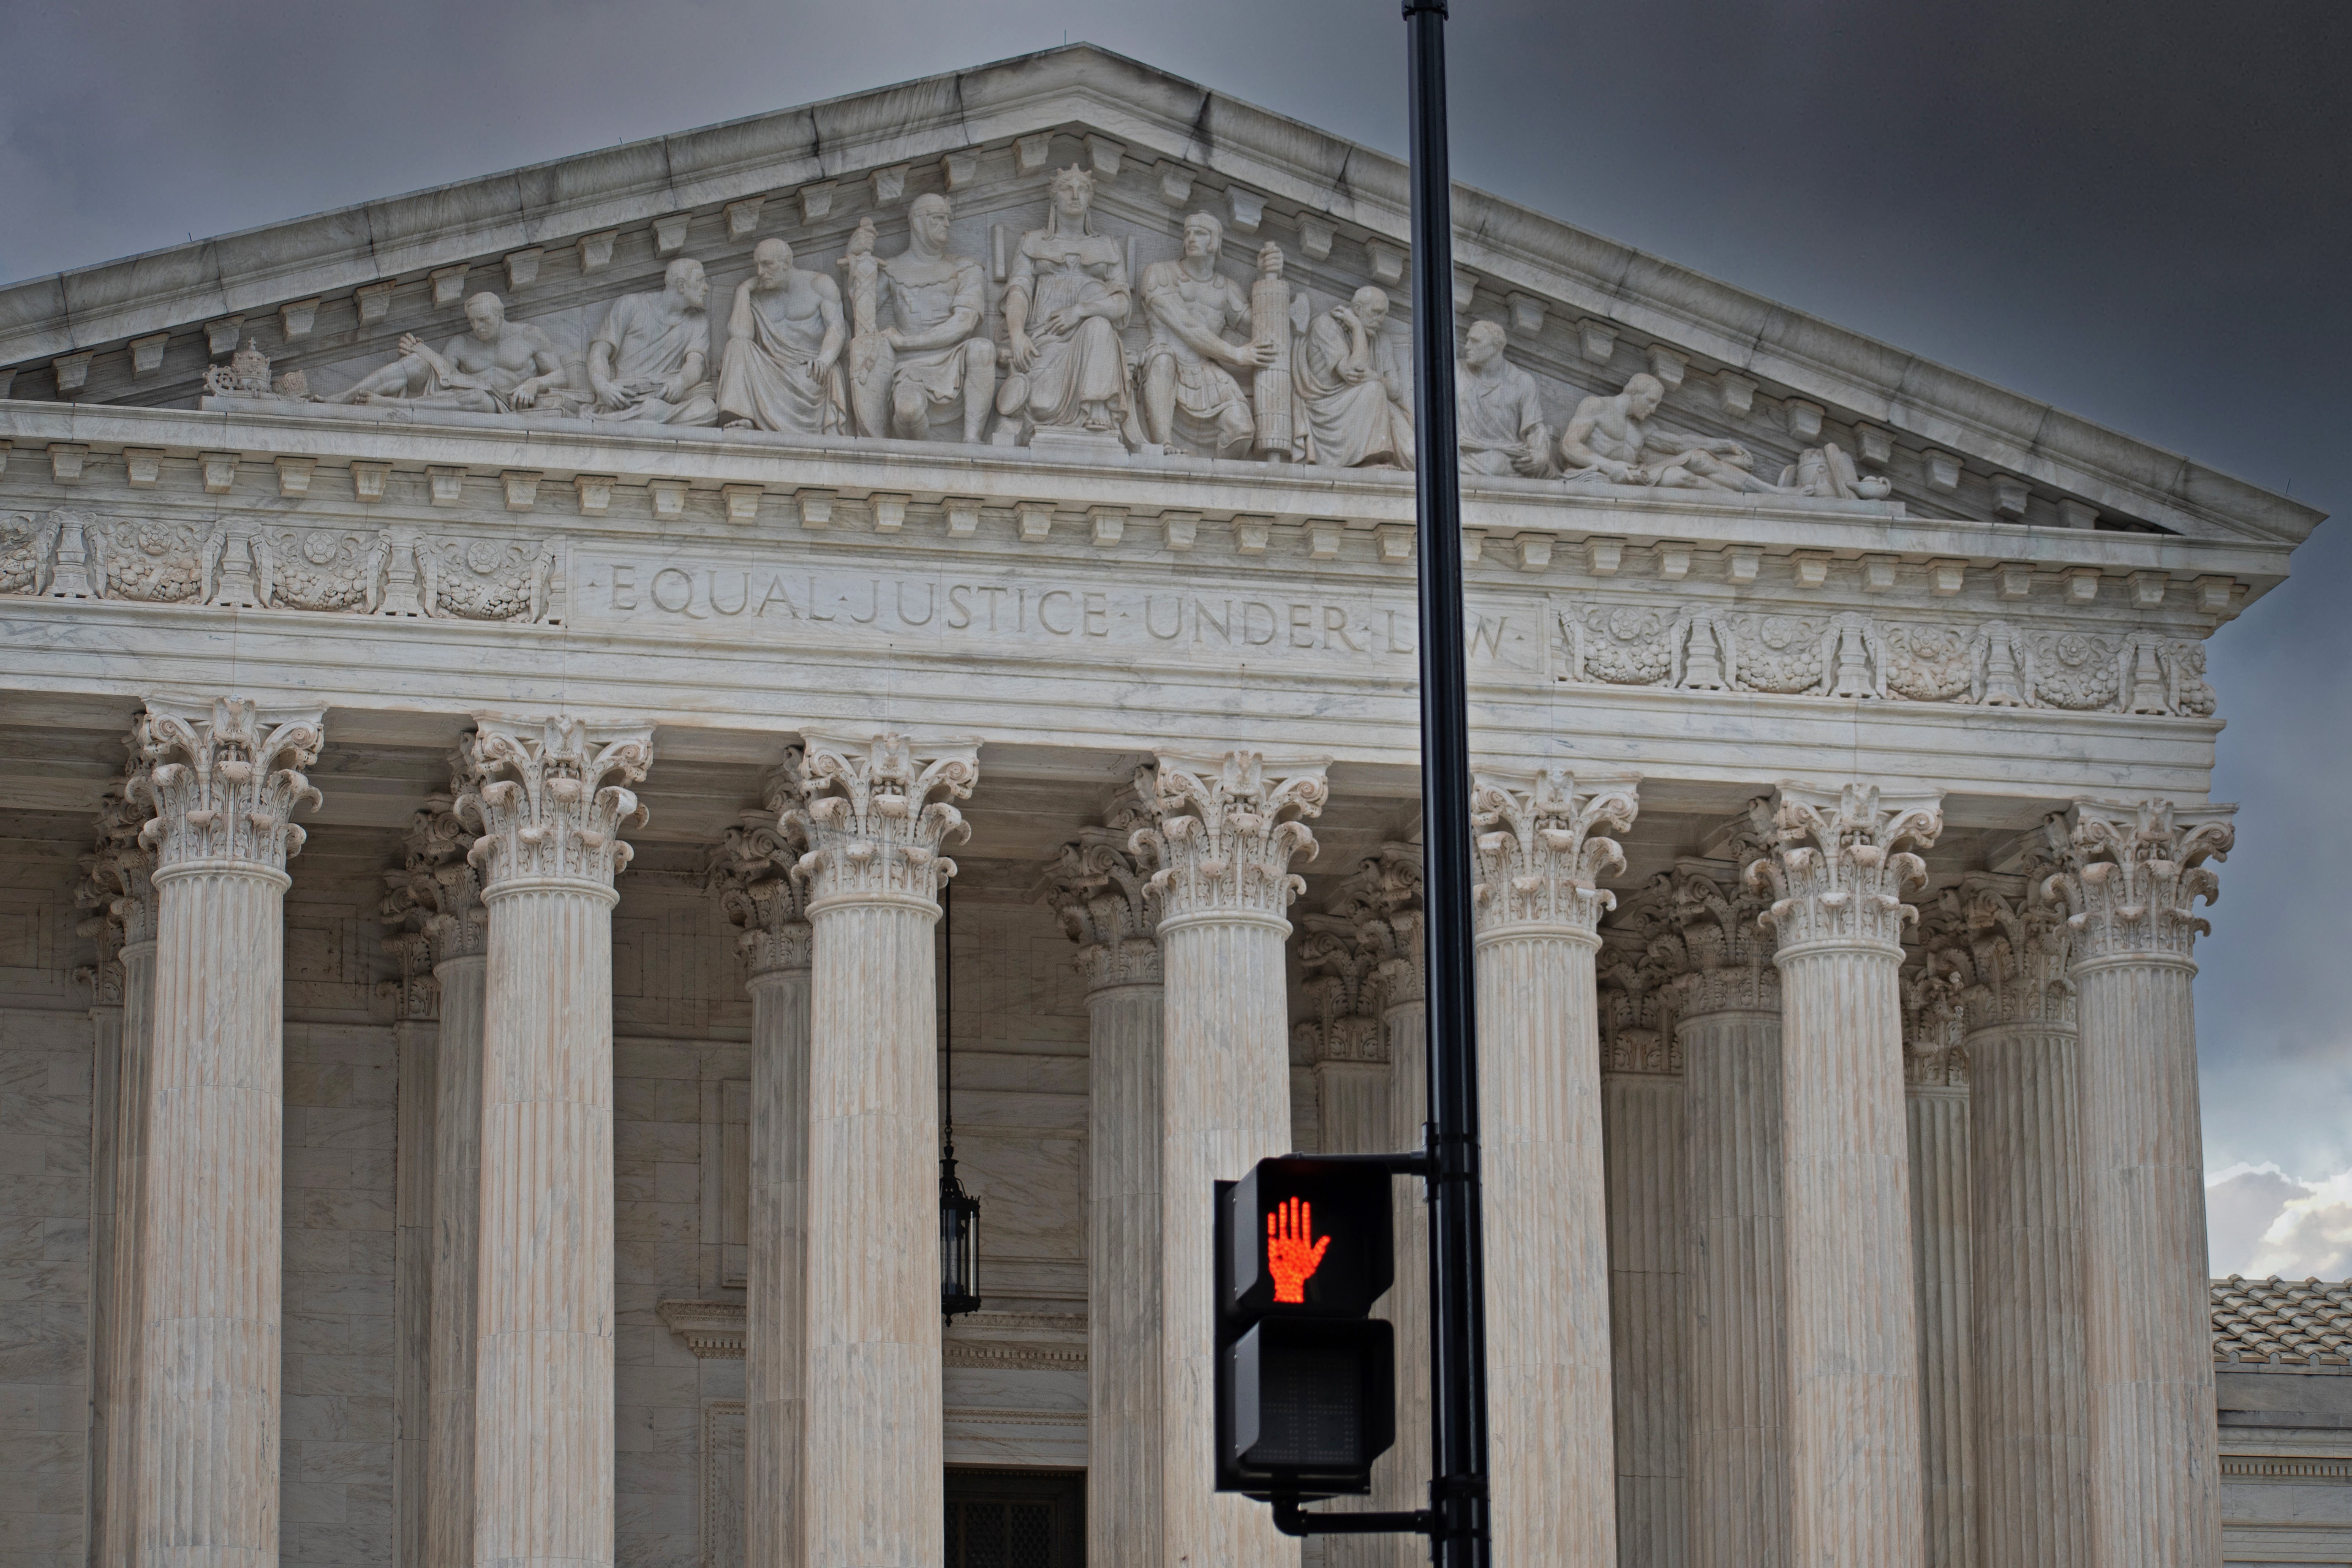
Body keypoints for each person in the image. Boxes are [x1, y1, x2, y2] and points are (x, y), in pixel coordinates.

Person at [999, 166, 1135, 439]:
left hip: (1093, 345)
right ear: (1054, 197)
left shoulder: (1108, 246)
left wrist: (1079, 311)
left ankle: (1097, 409)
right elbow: (1019, 292)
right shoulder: (1032, 242)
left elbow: (1122, 304)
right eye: (1067, 188)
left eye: (1083, 189)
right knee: (1041, 403)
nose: (1075, 195)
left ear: (1090, 198)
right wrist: (1016, 335)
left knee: (1099, 326)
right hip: (1045, 340)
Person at [860, 193, 996, 442]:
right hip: (911, 366)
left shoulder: (966, 268)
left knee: (982, 348)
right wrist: (859, 260)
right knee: (908, 411)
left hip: (955, 358)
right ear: (917, 222)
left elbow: (965, 323)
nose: (946, 225)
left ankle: (972, 440)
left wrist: (906, 342)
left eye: (948, 219)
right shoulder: (891, 269)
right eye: (938, 218)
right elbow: (861, 315)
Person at [1136, 211, 1272, 455]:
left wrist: (1268, 279)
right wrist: (1237, 355)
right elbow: (1185, 326)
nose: (1191, 238)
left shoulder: (1227, 288)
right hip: (1165, 363)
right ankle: (1163, 446)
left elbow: (1260, 328)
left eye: (1200, 233)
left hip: (1204, 370)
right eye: (1187, 233)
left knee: (1242, 429)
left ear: (1216, 242)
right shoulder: (1159, 274)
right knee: (1162, 359)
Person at [326, 292, 571, 413]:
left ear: (501, 314)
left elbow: (560, 375)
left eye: (484, 320)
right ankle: (341, 398)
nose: (478, 327)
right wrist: (419, 354)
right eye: (473, 321)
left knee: (476, 397)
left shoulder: (530, 335)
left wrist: (534, 384)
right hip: (465, 391)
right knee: (417, 363)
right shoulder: (460, 343)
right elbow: (444, 377)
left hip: (502, 404)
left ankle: (391, 405)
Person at [716, 238, 846, 436]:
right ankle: (743, 416)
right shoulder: (758, 294)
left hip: (808, 370)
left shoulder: (819, 285)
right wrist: (743, 291)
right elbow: (739, 336)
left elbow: (836, 329)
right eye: (757, 266)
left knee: (809, 379)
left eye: (768, 264)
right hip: (769, 370)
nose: (760, 273)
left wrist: (824, 361)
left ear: (786, 262)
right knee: (736, 346)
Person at [1559, 372, 1774, 491]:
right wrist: (1609, 465)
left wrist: (1726, 445)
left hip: (1636, 475)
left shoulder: (1641, 428)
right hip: (1608, 474)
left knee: (1700, 458)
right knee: (1682, 477)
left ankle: (1769, 494)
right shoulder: (1596, 406)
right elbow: (1570, 445)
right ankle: (1740, 502)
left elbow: (1679, 444)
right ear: (1634, 392)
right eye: (1651, 402)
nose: (1652, 410)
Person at [1291, 285, 1413, 468]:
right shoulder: (1326, 325)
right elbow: (1355, 373)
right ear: (1357, 310)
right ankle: (1370, 460)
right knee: (1374, 390)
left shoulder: (1382, 340)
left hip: (1367, 405)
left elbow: (1395, 390)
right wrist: (1357, 328)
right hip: (1327, 408)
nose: (1381, 320)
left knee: (1414, 456)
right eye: (1377, 313)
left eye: (1384, 315)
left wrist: (1376, 377)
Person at [587, 257, 718, 425]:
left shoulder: (698, 322)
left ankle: (631, 422)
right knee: (654, 410)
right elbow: (599, 353)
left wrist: (681, 382)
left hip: (667, 401)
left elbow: (696, 363)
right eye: (700, 282)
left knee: (708, 410)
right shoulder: (630, 305)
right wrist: (603, 387)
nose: (706, 288)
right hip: (626, 400)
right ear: (681, 286)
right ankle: (625, 419)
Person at [1455, 320, 1551, 477]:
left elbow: (1534, 430)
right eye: (1468, 340)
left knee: (1494, 465)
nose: (1467, 346)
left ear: (1496, 347)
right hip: (1458, 451)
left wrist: (1541, 454)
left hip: (1502, 456)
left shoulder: (1522, 382)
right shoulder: (1455, 371)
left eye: (1476, 341)